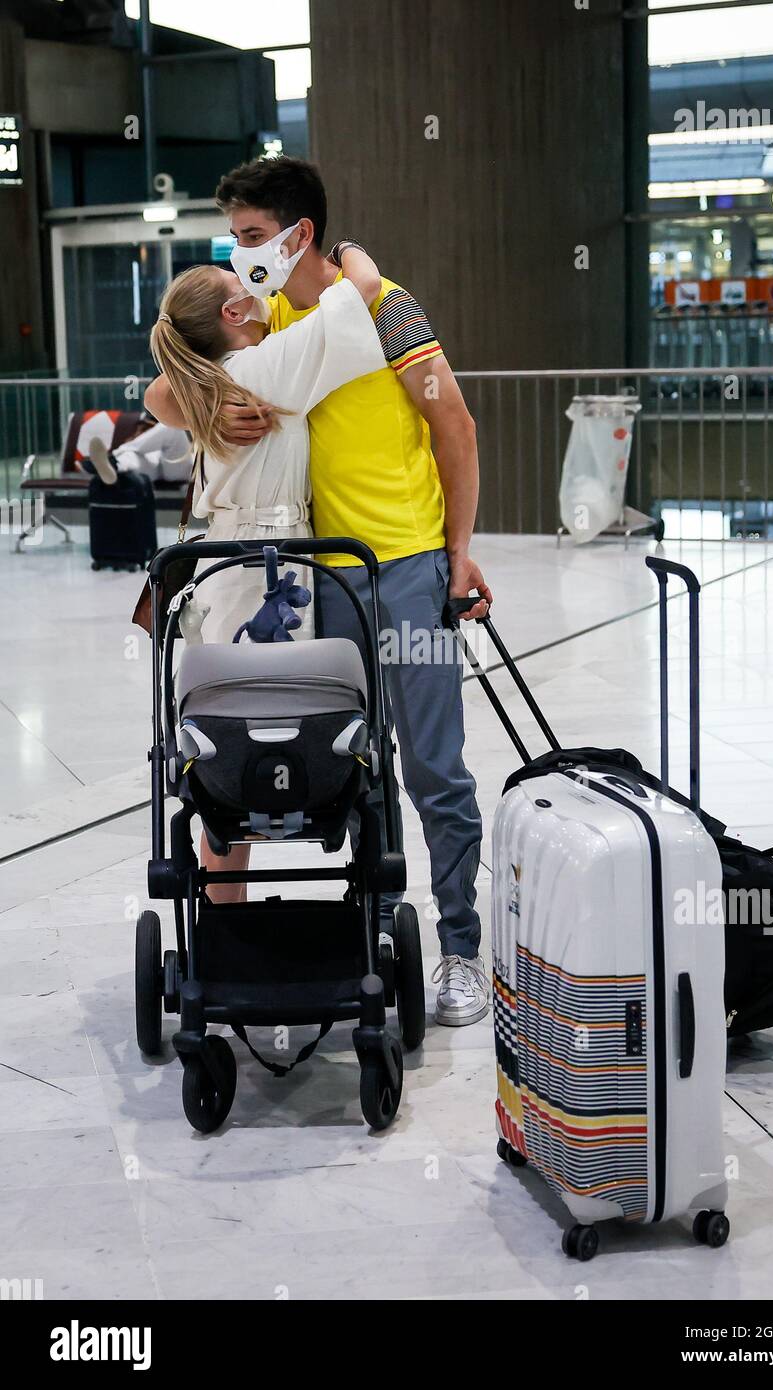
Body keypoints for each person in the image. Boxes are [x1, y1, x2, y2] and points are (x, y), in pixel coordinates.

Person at [144, 156, 492, 1028]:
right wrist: (213, 408)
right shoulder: (267, 322)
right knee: (354, 769)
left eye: (252, 236)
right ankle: (377, 931)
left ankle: (458, 947)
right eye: (234, 240)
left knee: (434, 767)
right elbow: (162, 385)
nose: (241, 251)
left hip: (406, 566)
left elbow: (454, 420)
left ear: (297, 233)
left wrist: (458, 552)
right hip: (318, 581)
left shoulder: (382, 305)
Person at [147, 243, 387, 896]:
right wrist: (349, 252)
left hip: (220, 572)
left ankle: (224, 929)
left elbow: (160, 392)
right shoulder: (267, 366)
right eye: (242, 280)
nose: (256, 283)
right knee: (288, 718)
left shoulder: (206, 383)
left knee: (229, 753)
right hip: (276, 562)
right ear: (234, 310)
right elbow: (362, 289)